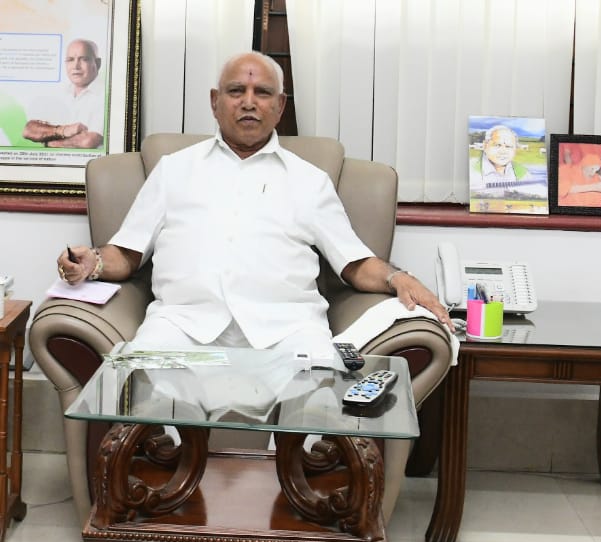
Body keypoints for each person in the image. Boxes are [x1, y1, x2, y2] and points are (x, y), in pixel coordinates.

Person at [56, 51, 451, 360]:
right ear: (215, 102)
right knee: (137, 386)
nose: (249, 102)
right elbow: (127, 252)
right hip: (182, 324)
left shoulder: (310, 180)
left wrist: (398, 277)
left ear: (280, 106)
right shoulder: (173, 170)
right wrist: (93, 263)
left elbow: (354, 262)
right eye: (235, 91)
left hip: (289, 329)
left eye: (262, 93)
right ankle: (170, 444)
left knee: (322, 396)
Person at [23, 39, 105, 149]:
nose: (76, 66)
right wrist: (64, 130)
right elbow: (29, 130)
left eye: (84, 59)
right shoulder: (59, 93)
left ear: (98, 63)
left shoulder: (106, 96)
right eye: (70, 60)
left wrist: (51, 141)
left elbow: (89, 141)